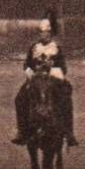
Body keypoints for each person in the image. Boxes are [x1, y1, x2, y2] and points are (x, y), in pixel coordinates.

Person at [12, 9, 77, 148]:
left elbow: (63, 67)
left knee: (66, 98)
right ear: (39, 33)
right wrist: (30, 71)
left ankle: (69, 132)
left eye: (47, 33)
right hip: (36, 79)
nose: (44, 35)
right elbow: (27, 64)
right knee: (19, 98)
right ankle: (22, 131)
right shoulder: (34, 48)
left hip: (52, 80)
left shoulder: (56, 48)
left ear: (50, 33)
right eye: (42, 32)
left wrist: (53, 71)